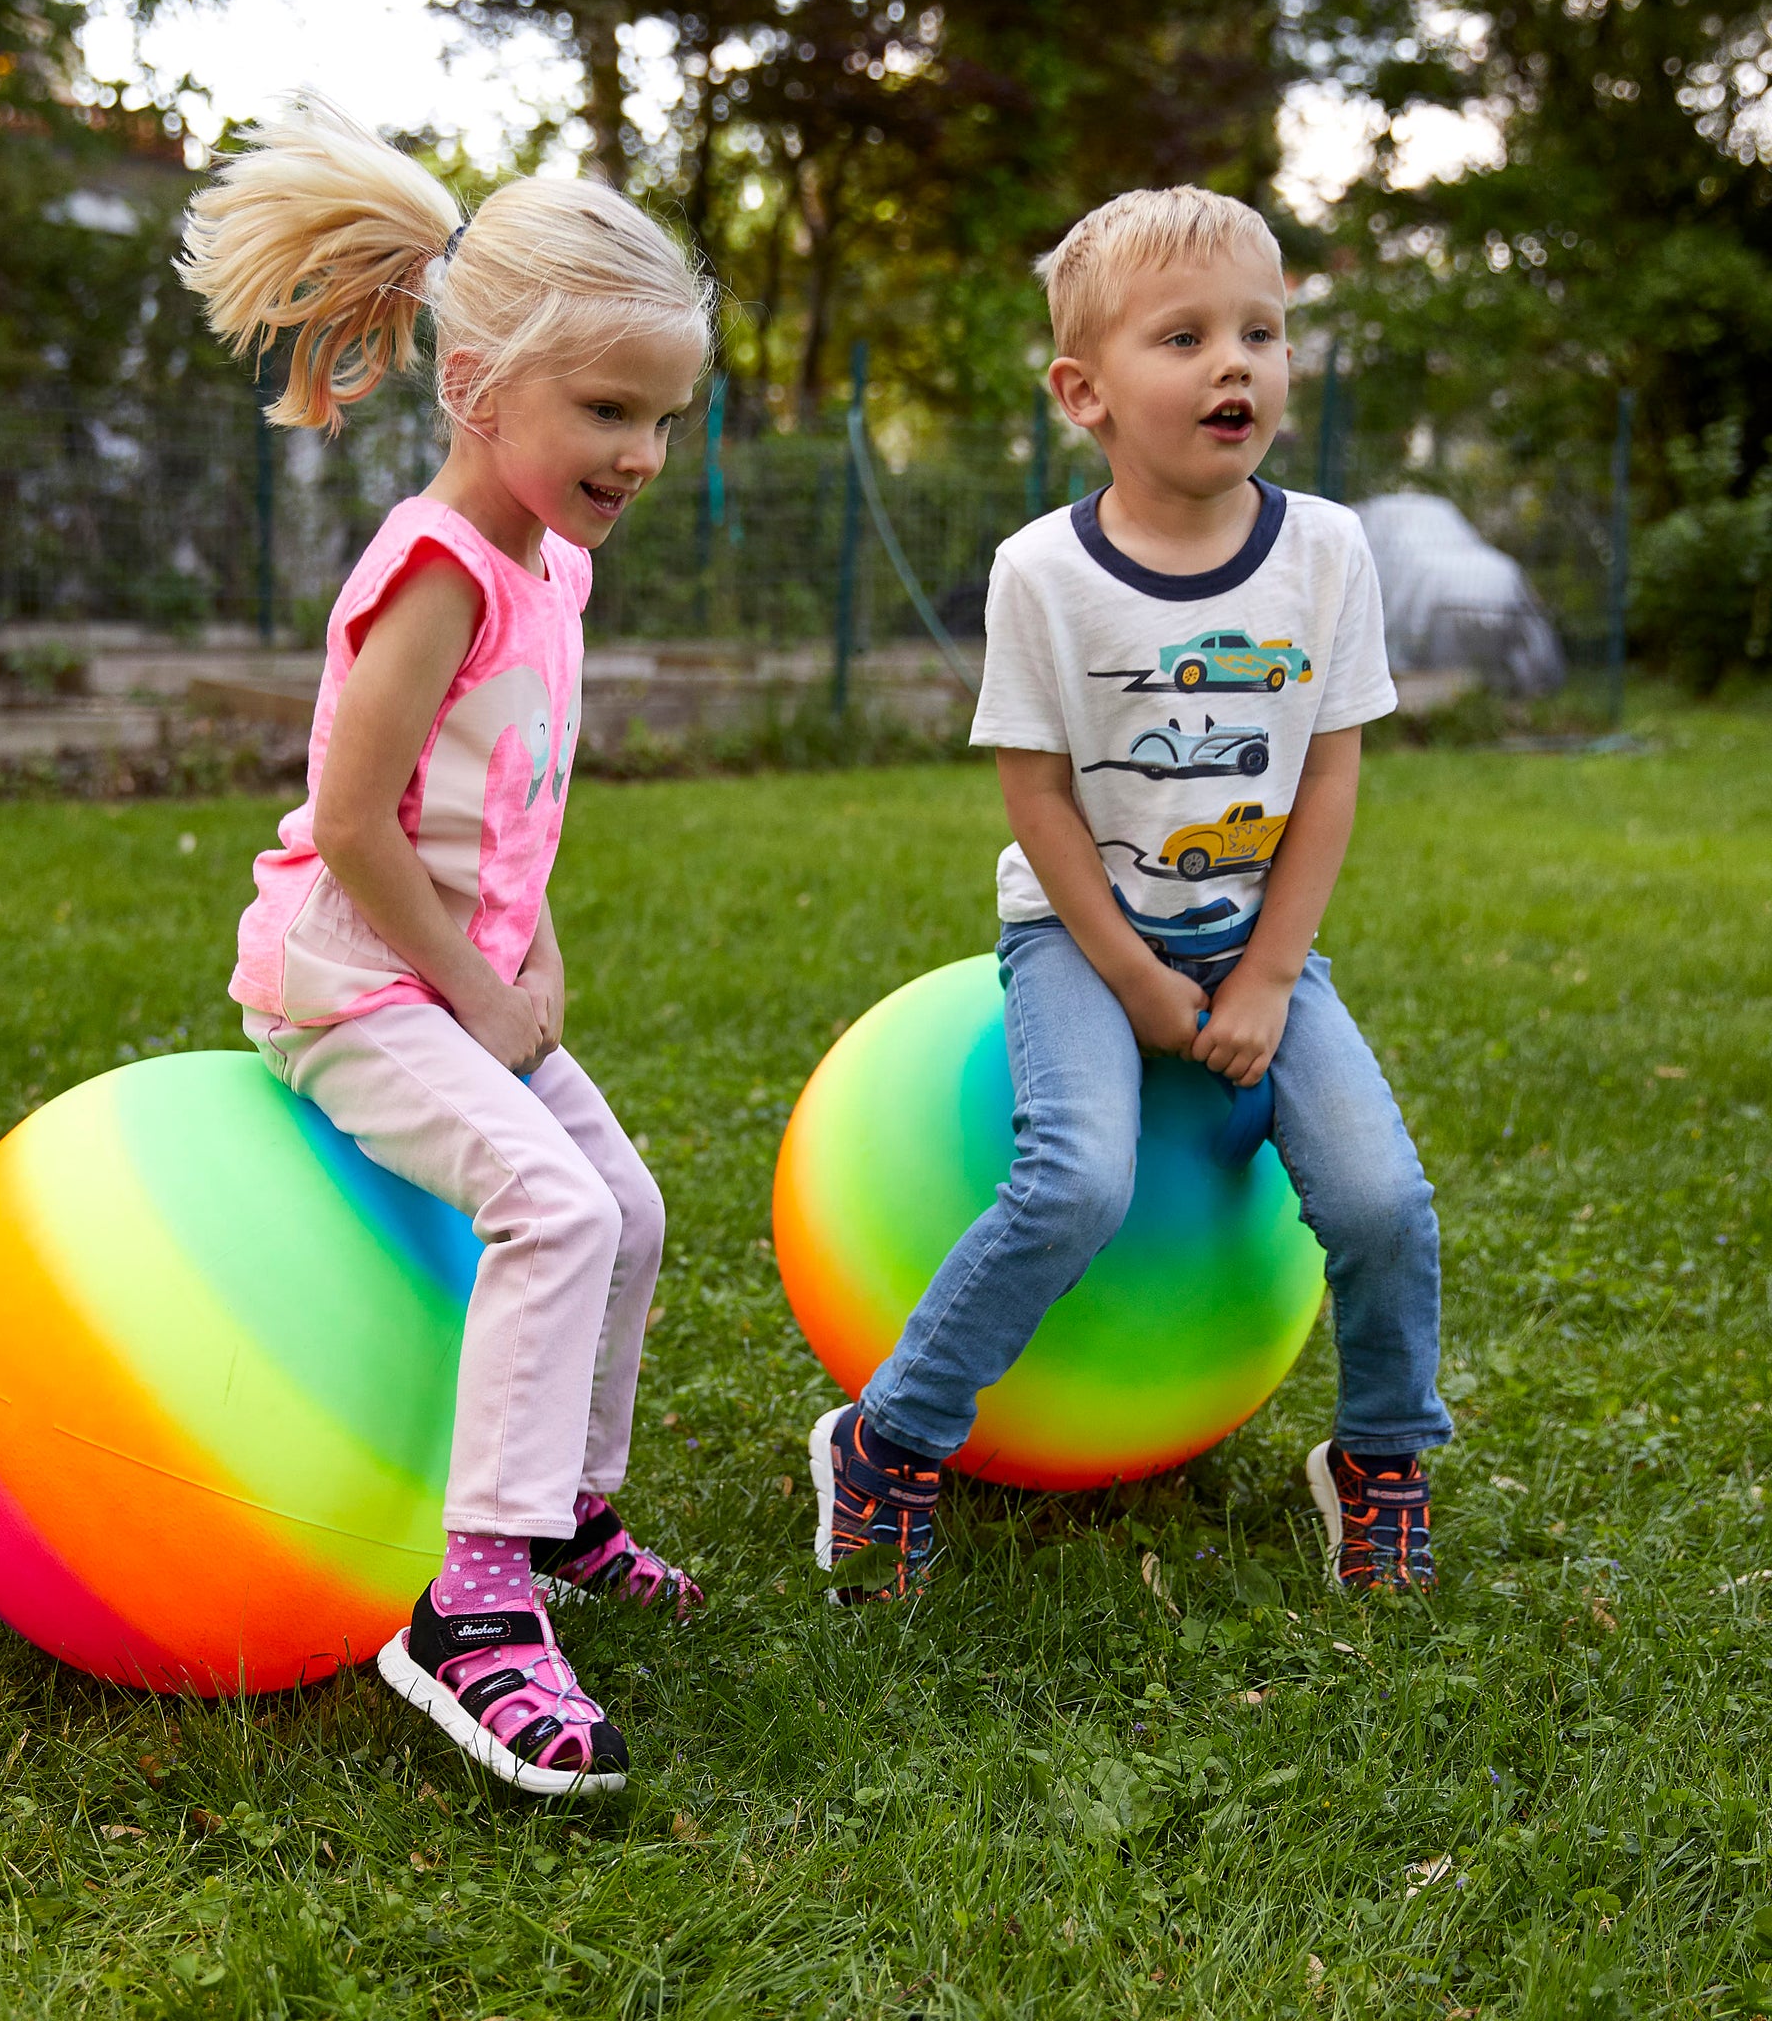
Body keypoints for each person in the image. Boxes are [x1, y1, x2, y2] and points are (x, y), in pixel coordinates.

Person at [809, 188, 1448, 1604]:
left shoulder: (1327, 553)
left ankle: (1381, 1458)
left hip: (1254, 936)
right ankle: (890, 1437)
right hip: (1079, 937)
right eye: (1187, 336)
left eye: (1263, 332)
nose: (1239, 364)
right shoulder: (1042, 574)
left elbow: (1329, 780)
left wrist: (1270, 976)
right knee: (1078, 1178)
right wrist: (1142, 981)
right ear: (1083, 392)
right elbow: (1035, 801)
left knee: (1384, 1200)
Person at [181, 100, 712, 1795]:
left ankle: (559, 1516)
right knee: (550, 1206)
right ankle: (471, 1611)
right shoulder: (434, 570)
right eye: (607, 410)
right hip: (348, 984)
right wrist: (478, 989)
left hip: (461, 981)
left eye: (663, 417)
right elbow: (351, 825)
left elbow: (511, 802)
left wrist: (530, 946)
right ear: (478, 384)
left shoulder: (549, 560)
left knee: (626, 1205)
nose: (639, 451)